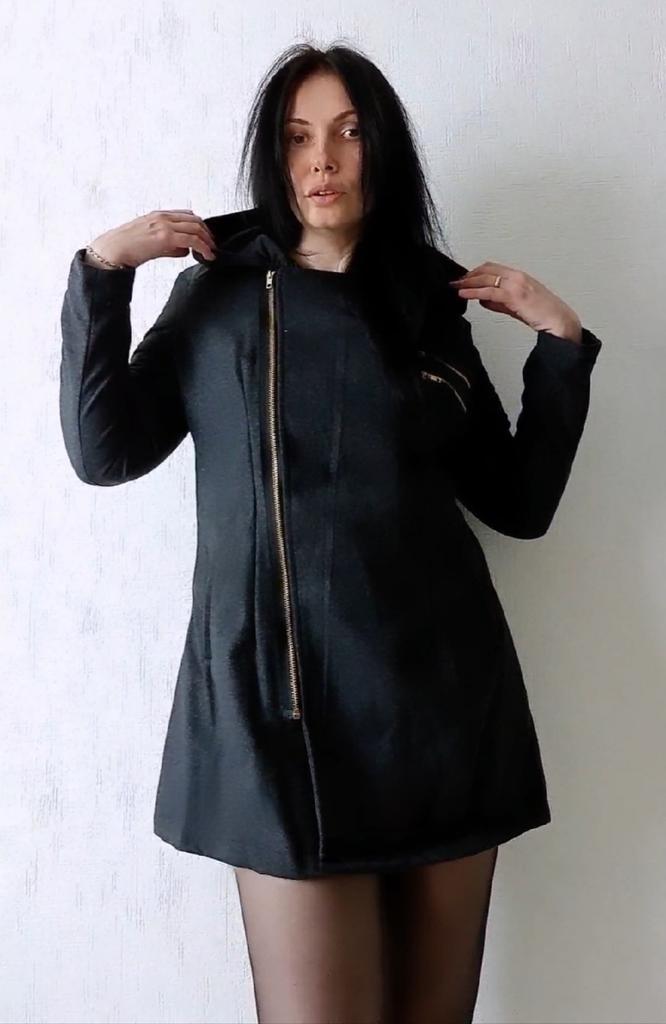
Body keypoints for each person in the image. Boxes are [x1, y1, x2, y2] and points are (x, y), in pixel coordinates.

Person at [59, 40, 603, 1024]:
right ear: (272, 155)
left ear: (381, 151)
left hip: (441, 715)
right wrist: (103, 274)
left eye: (350, 133)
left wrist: (560, 348)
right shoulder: (218, 293)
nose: (323, 159)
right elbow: (106, 451)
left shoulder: (428, 304)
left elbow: (518, 504)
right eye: (297, 136)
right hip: (276, 720)